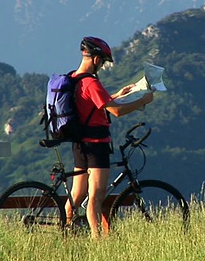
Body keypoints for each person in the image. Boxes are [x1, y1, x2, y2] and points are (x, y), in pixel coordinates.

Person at [66, 36, 154, 239]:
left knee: (76, 196)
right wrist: (144, 99)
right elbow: (116, 112)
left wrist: (116, 94)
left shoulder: (74, 77)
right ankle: (100, 243)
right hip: (96, 146)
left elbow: (92, 104)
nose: (102, 65)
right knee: (95, 199)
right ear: (96, 59)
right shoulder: (91, 83)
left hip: (80, 144)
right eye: (103, 61)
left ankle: (66, 232)